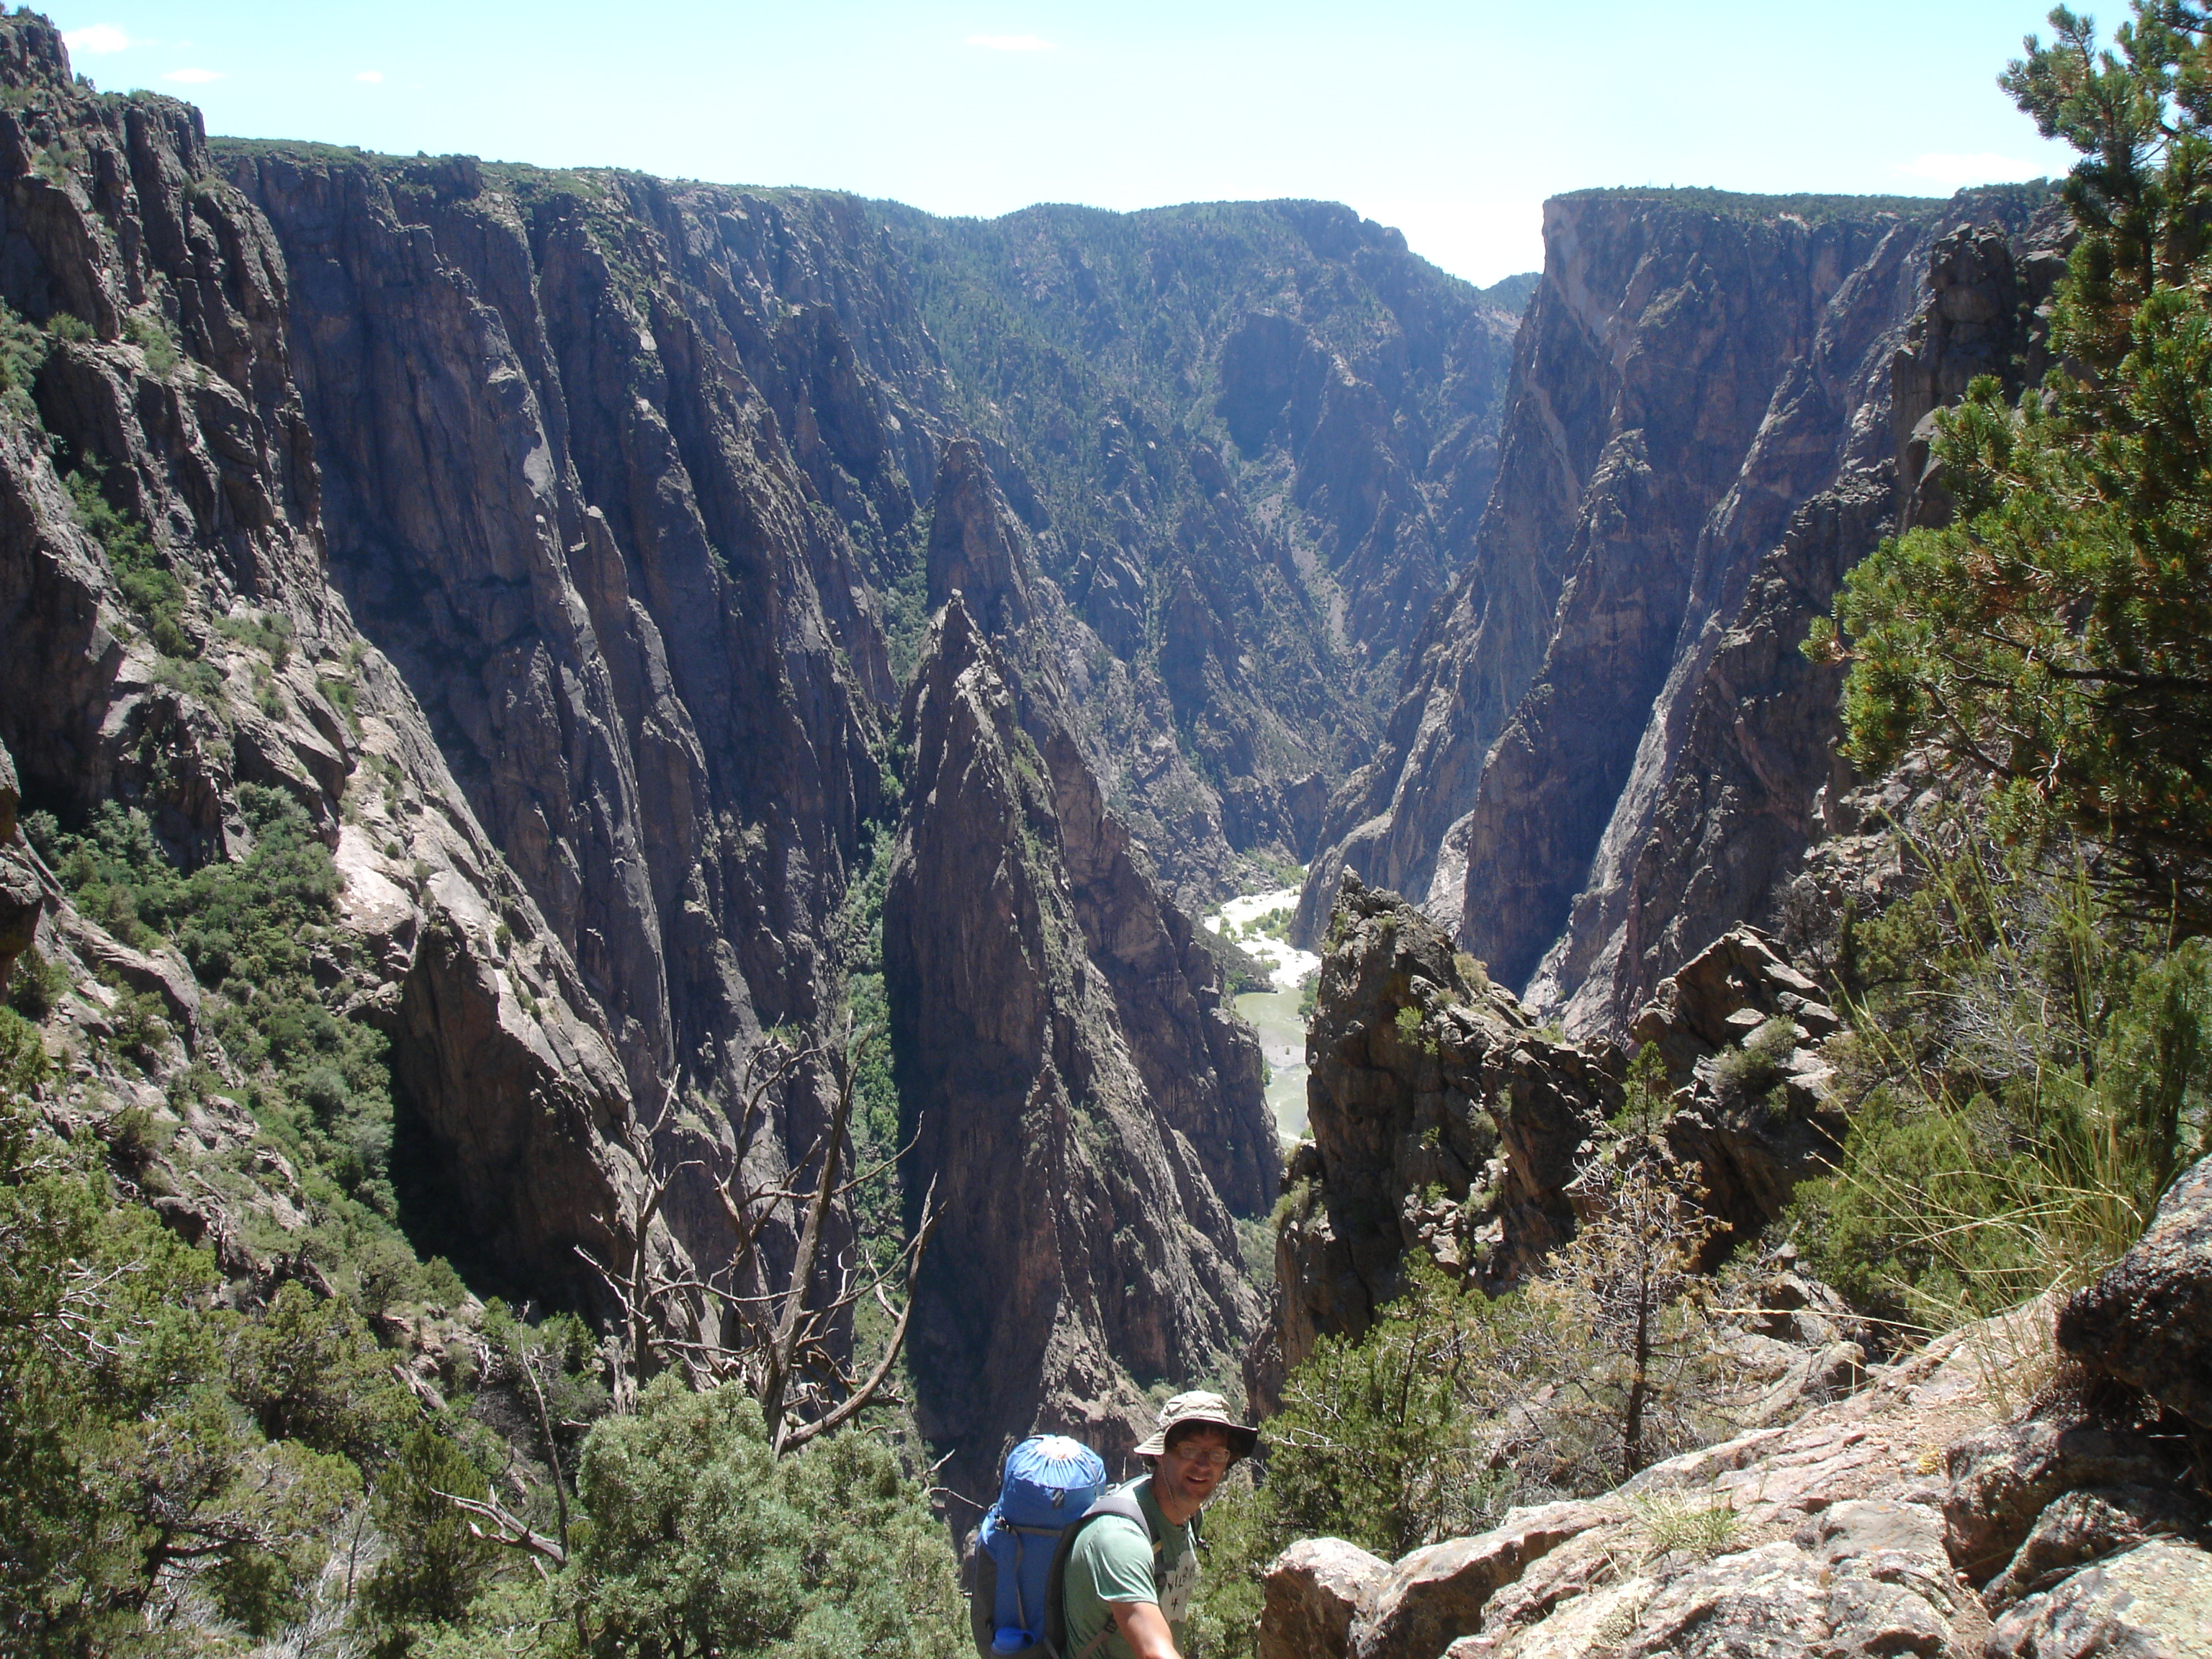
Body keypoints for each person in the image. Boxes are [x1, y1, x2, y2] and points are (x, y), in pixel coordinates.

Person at [1058, 1391, 1259, 1659]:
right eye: (1189, 1450)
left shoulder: (1190, 1516)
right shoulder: (1119, 1539)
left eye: (1217, 1454)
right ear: (1161, 1454)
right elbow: (1154, 1652)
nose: (1203, 1464)